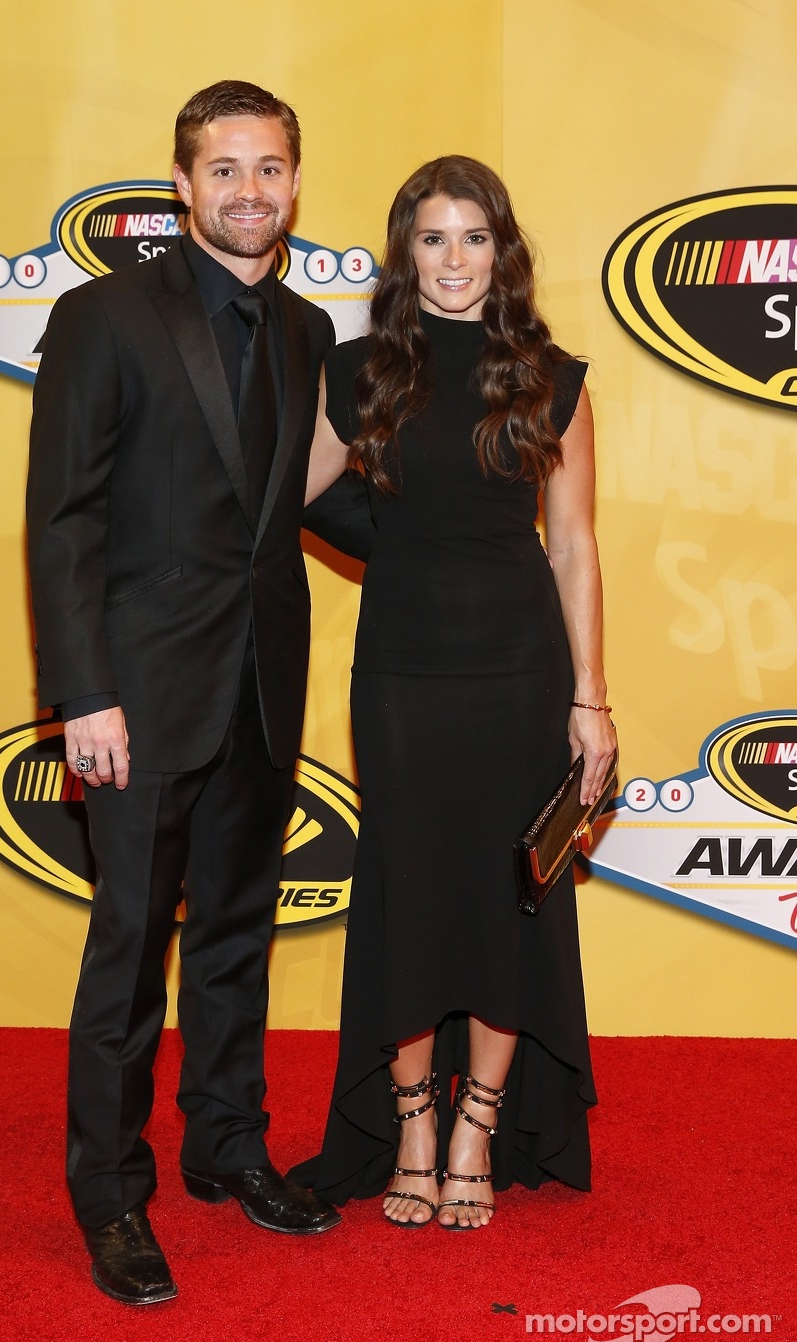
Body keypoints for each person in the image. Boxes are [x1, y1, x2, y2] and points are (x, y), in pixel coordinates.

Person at [26, 80, 349, 1307]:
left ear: (295, 183)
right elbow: (62, 519)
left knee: (234, 939)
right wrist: (82, 695)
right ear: (181, 182)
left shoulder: (311, 331)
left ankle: (227, 1146)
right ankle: (109, 1195)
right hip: (140, 696)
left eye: (270, 169)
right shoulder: (106, 316)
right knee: (126, 952)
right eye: (225, 169)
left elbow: (302, 506)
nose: (249, 191)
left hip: (263, 683)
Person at [293, 156, 616, 1230]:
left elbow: (572, 547)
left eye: (472, 238)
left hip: (518, 670)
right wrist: (388, 545)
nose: (452, 260)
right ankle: (413, 1124)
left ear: (503, 251)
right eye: (431, 239)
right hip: (399, 670)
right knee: (407, 890)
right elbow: (285, 500)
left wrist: (591, 698)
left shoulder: (552, 377)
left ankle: (479, 1124)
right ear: (405, 254)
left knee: (507, 896)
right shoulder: (359, 373)